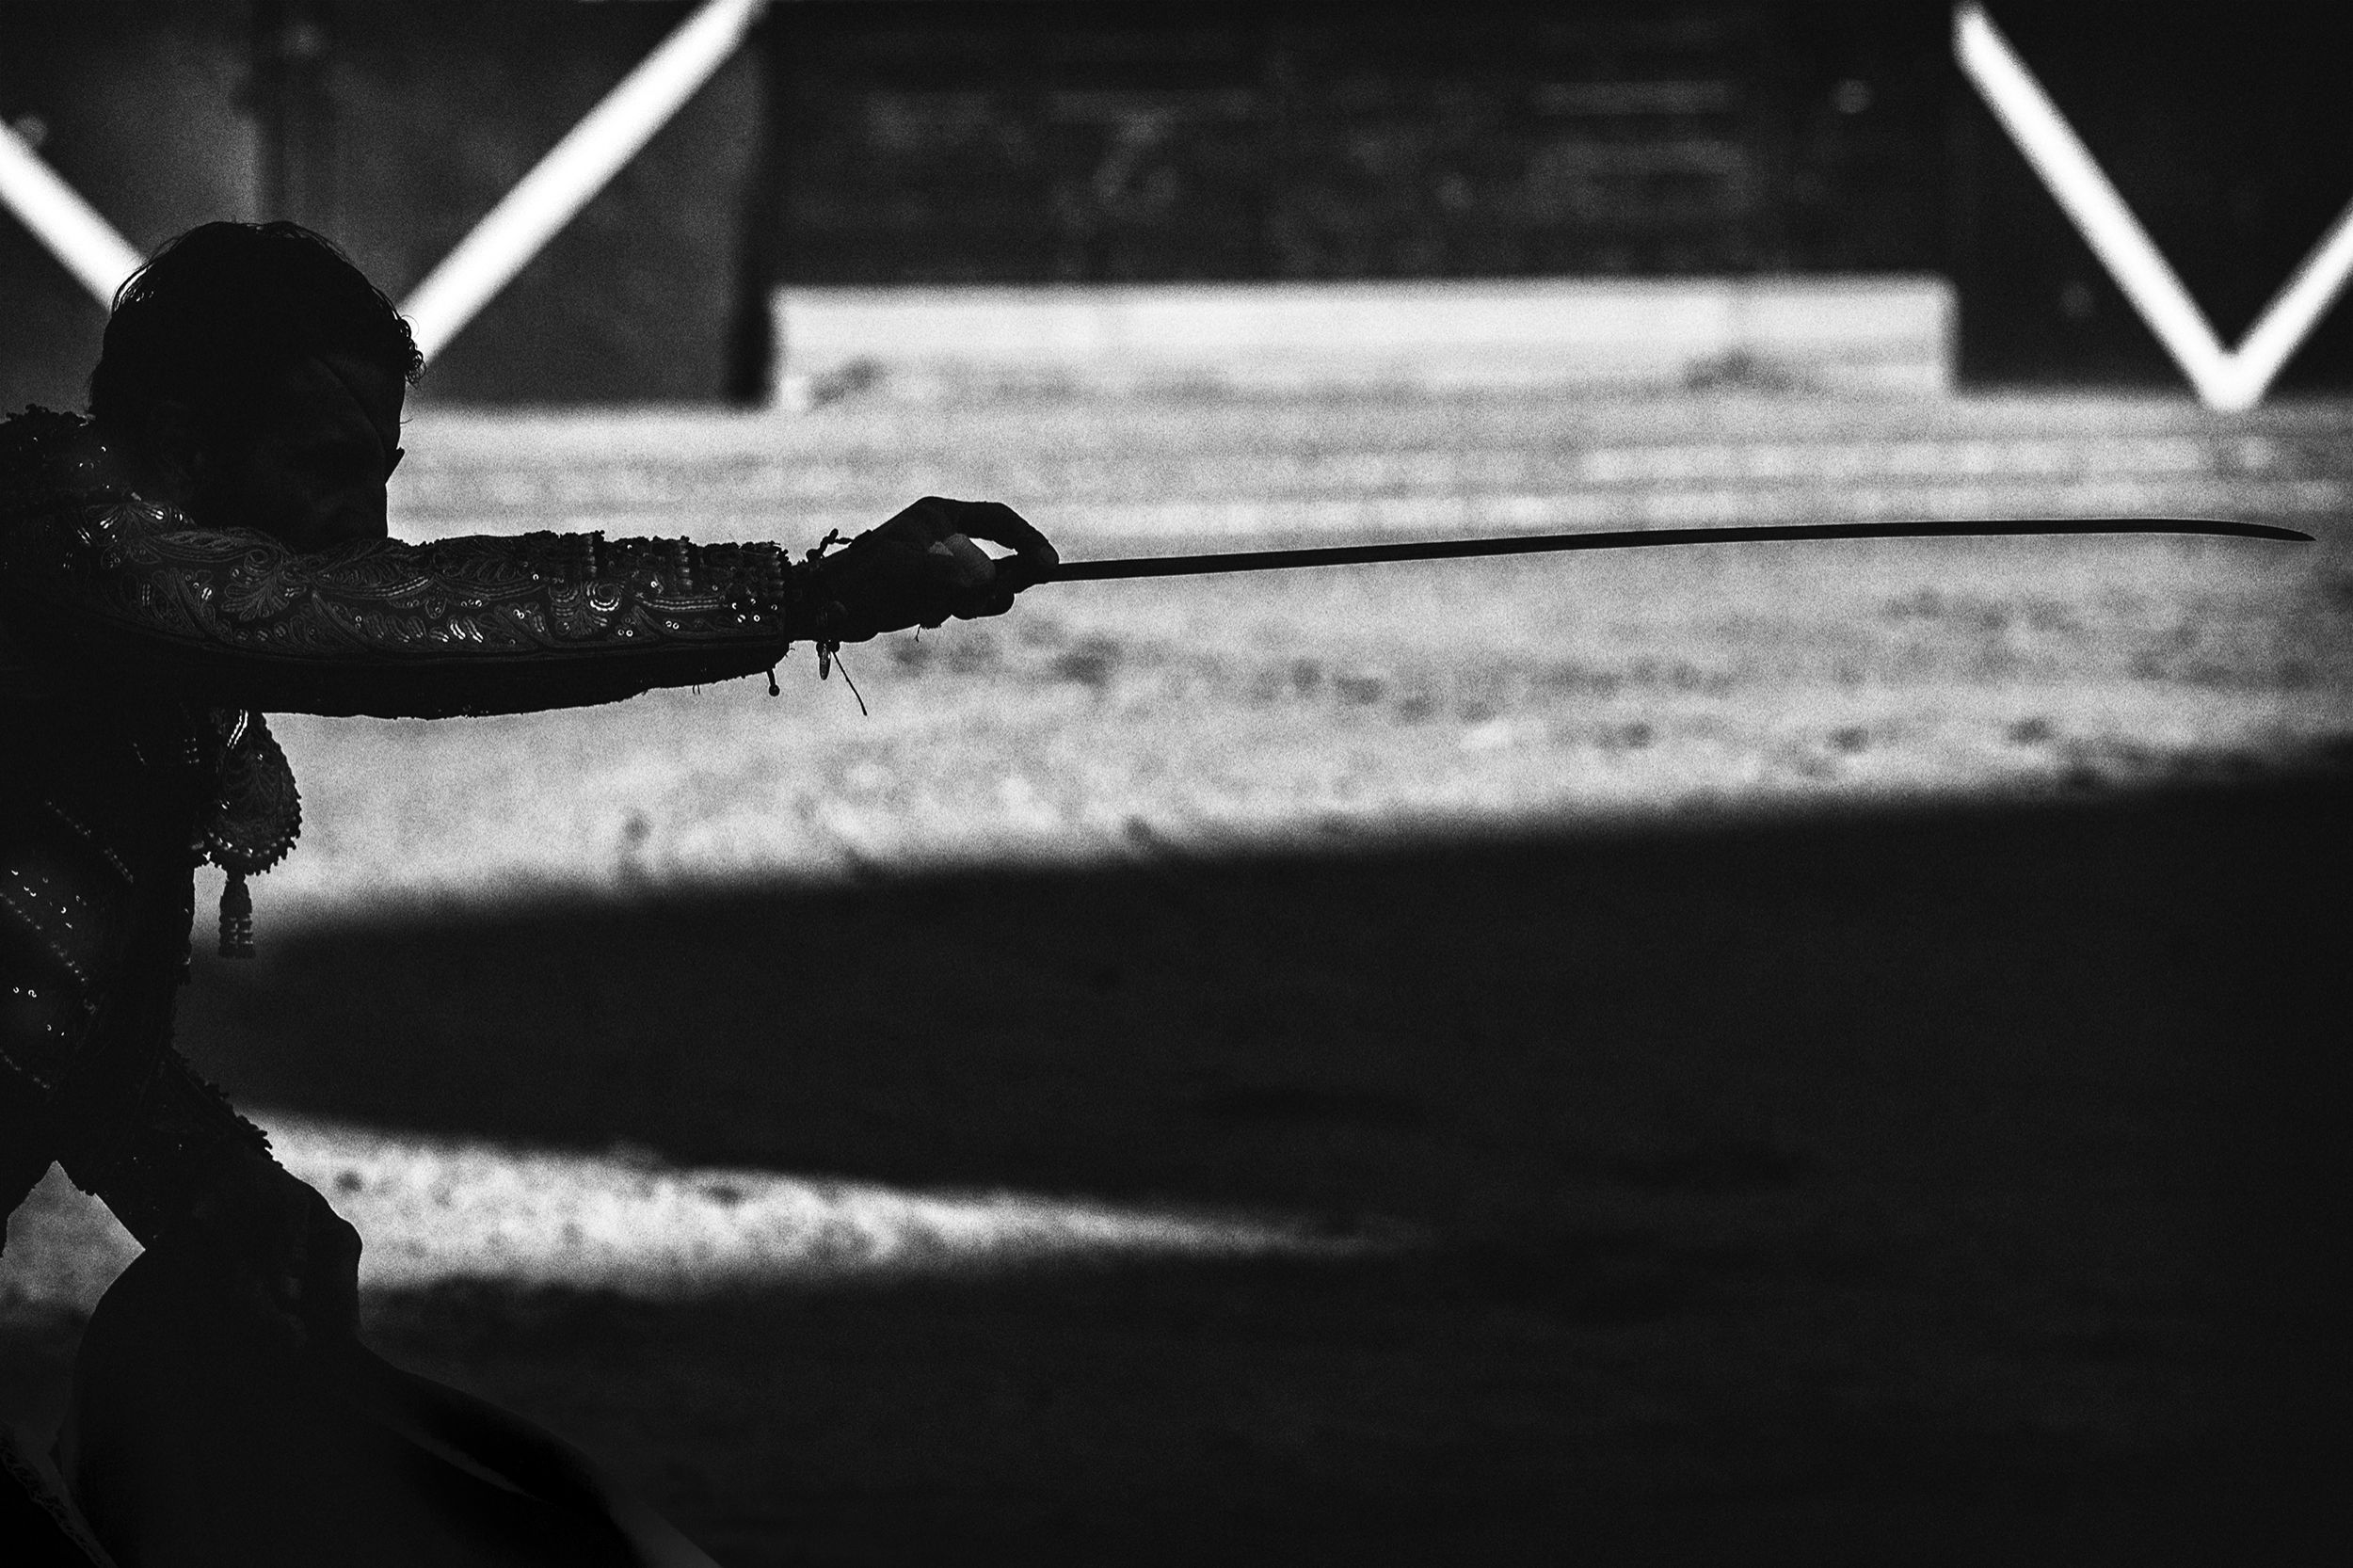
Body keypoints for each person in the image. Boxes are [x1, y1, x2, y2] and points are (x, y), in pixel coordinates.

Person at [0, 220, 1057, 1564]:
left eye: (379, 473)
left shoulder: (102, 619)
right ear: (178, 435)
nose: (366, 526)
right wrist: (814, 593)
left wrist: (205, 1179)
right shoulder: (58, 534)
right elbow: (389, 621)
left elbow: (40, 1009)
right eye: (323, 468)